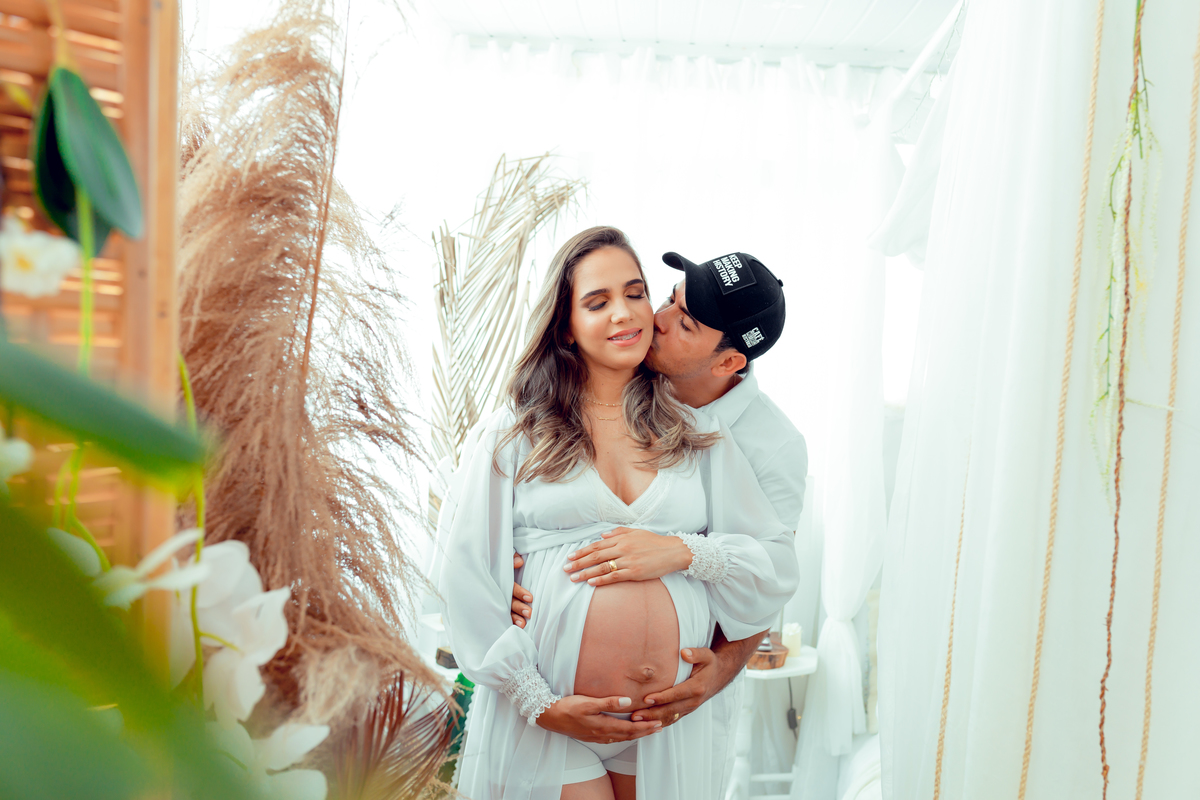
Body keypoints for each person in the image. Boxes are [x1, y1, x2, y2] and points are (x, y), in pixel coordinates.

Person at [439, 227, 798, 800]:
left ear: (729, 360)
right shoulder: (516, 429)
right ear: (565, 324)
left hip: (663, 726)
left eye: (634, 293)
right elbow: (462, 565)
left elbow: (771, 564)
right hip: (552, 715)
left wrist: (683, 552)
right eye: (598, 301)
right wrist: (538, 700)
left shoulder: (700, 432)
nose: (635, 314)